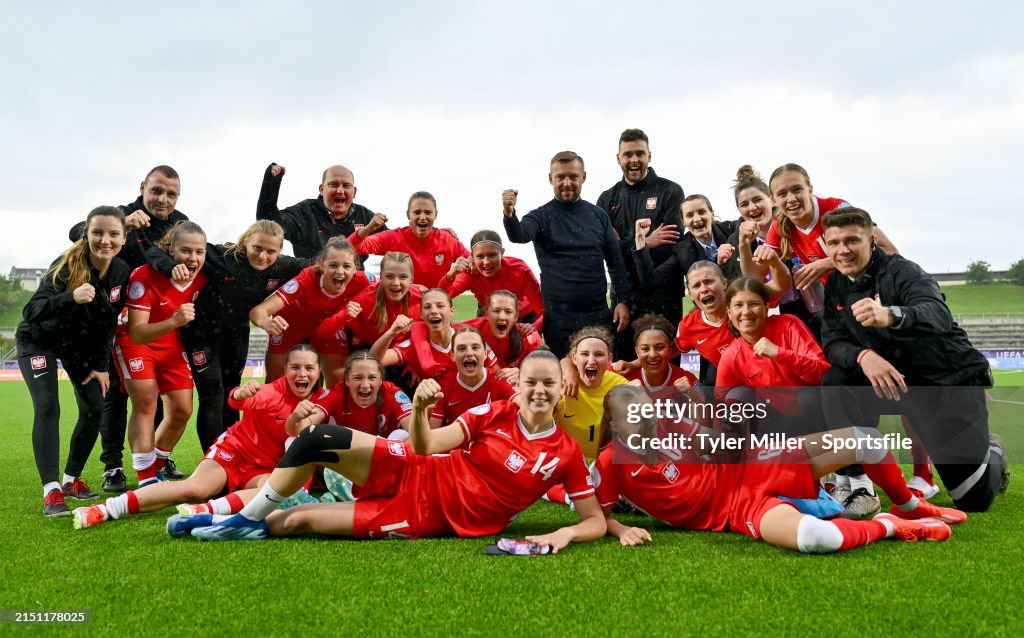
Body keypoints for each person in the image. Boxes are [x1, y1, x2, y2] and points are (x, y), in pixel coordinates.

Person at [176, 350, 606, 552]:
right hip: (418, 469)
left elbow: (593, 521)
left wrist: (565, 533)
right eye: (531, 382)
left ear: (560, 390)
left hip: (426, 516)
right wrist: (420, 410)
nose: (539, 391)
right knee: (315, 440)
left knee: (293, 521)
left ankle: (243, 520)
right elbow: (426, 444)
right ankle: (238, 520)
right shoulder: (493, 412)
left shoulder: (565, 453)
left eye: (549, 383)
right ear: (519, 385)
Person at [596, 385, 966, 553]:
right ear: (615, 426)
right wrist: (621, 528)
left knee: (865, 438)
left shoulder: (666, 421)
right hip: (732, 511)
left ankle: (908, 504)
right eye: (636, 415)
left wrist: (728, 428)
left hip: (749, 465)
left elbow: (721, 444)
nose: (646, 418)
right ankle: (888, 524)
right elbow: (597, 515)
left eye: (647, 408)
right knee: (818, 539)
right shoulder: (610, 461)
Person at [819, 207, 1009, 512]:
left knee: (973, 499)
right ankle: (857, 485)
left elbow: (938, 315)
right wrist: (862, 355)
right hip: (892, 381)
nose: (843, 250)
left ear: (871, 240)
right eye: (834, 243)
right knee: (835, 381)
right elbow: (831, 341)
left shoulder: (904, 271)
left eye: (852, 240)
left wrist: (891, 315)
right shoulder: (837, 286)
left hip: (944, 382)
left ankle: (994, 452)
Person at [72, 345, 322, 529]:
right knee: (195, 488)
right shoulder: (273, 390)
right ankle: (103, 510)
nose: (302, 374)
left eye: (309, 368)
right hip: (235, 452)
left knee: (276, 492)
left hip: (266, 471)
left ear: (319, 371)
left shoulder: (324, 402)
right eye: (295, 367)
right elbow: (239, 399)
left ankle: (202, 512)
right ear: (285, 370)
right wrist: (241, 393)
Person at [68, 166, 189, 493]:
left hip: (156, 322)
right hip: (114, 319)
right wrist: (122, 222)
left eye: (171, 194)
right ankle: (113, 467)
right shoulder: (122, 215)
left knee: (156, 395)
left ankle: (156, 460)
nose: (163, 199)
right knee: (116, 395)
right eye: (157, 191)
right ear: (143, 188)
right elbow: (77, 232)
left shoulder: (180, 222)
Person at [145, 220, 305, 452]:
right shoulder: (221, 257)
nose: (263, 256)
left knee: (233, 394)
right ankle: (212, 457)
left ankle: (230, 454)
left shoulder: (282, 266)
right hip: (202, 335)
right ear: (245, 242)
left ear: (279, 251)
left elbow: (315, 265)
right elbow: (154, 250)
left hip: (237, 336)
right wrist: (170, 267)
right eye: (257, 248)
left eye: (271, 251)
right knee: (213, 396)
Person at [19, 206, 130, 516]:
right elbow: (32, 311)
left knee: (95, 408)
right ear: (87, 234)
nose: (105, 240)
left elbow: (108, 323)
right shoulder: (67, 265)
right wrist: (71, 297)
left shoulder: (121, 272)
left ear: (123, 238)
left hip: (78, 347)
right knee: (48, 406)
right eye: (98, 233)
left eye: (113, 234)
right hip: (39, 340)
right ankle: (52, 491)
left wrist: (100, 366)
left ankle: (70, 480)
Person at [503, 151, 631, 358]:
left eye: (573, 176)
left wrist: (622, 301)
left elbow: (615, 262)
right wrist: (509, 214)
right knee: (563, 379)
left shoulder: (598, 216)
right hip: (558, 316)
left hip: (597, 313)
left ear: (584, 177)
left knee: (599, 374)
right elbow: (519, 235)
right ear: (550, 179)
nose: (567, 183)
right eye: (560, 177)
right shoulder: (540, 216)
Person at [115, 221, 208, 489]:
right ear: (170, 250)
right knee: (145, 401)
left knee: (182, 409)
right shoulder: (144, 276)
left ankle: (156, 465)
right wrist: (175, 320)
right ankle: (146, 479)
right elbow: (138, 333)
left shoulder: (202, 276)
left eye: (199, 252)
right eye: (185, 251)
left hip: (170, 343)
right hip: (136, 341)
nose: (193, 258)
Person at [596, 128, 685, 357]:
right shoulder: (607, 199)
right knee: (625, 374)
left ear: (649, 156)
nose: (634, 160)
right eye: (627, 155)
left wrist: (623, 245)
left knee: (663, 370)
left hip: (664, 298)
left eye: (639, 154)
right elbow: (607, 252)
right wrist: (645, 242)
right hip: (624, 300)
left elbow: (670, 243)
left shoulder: (671, 191)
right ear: (618, 159)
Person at [715, 278, 831, 438]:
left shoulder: (788, 325)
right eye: (738, 305)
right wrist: (719, 439)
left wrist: (779, 353)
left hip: (819, 408)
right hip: (782, 417)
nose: (746, 311)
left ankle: (845, 450)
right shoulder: (732, 356)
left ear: (766, 307)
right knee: (737, 397)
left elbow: (824, 374)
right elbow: (720, 402)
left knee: (807, 398)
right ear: (729, 312)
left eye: (754, 304)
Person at [250, 236, 371, 386]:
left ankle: (327, 408)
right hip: (290, 325)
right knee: (276, 381)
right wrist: (266, 322)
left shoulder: (362, 280)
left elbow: (389, 286)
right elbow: (258, 311)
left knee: (339, 382)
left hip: (330, 325)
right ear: (321, 265)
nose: (340, 272)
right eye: (333, 265)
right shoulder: (306, 279)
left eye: (346, 266)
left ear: (355, 269)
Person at [256, 163, 384, 262]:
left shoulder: (365, 217)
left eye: (346, 186)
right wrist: (271, 184)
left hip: (354, 288)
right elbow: (267, 225)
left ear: (354, 192)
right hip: (311, 283)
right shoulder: (303, 213)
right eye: (333, 185)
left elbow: (396, 244)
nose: (340, 191)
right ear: (322, 190)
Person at [348, 191, 469, 290]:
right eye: (417, 212)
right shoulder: (393, 237)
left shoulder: (447, 240)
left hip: (435, 310)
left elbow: (472, 261)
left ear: (435, 215)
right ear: (408, 215)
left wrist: (452, 285)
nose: (422, 217)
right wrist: (369, 228)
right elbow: (351, 247)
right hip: (402, 310)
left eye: (428, 212)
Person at [370, 289, 497, 383]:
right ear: (421, 314)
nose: (434, 311)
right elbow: (374, 360)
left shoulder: (471, 338)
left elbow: (497, 372)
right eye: (427, 307)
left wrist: (512, 373)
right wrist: (391, 333)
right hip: (437, 411)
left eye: (440, 306)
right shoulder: (414, 343)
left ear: (452, 311)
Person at [316, 251, 422, 351]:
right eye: (389, 276)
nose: (396, 283)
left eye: (403, 277)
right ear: (380, 277)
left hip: (399, 351)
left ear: (411, 279)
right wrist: (343, 316)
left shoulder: (421, 299)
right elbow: (321, 333)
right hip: (366, 349)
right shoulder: (364, 299)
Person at [439, 230, 543, 326]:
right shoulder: (470, 273)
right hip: (488, 315)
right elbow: (440, 297)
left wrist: (534, 328)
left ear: (502, 253)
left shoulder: (519, 269)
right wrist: (451, 274)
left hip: (524, 316)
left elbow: (541, 309)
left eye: (492, 255)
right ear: (472, 256)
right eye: (480, 256)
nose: (486, 262)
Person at [558, 326, 629, 463]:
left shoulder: (621, 386)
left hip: (606, 464)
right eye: (584, 354)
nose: (591, 361)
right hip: (567, 463)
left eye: (599, 354)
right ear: (574, 358)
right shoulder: (560, 384)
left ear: (610, 359)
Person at [431, 327, 518, 426]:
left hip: (490, 440)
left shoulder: (499, 380)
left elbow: (527, 408)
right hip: (453, 440)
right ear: (453, 356)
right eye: (462, 348)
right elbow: (431, 434)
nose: (469, 353)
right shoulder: (443, 385)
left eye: (475, 347)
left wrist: (525, 380)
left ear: (485, 354)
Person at [618, 313, 699, 400]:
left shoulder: (688, 381)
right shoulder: (620, 376)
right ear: (637, 350)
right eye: (645, 349)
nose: (652, 355)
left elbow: (706, 413)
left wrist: (695, 398)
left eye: (660, 348)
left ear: (670, 349)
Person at [458, 290, 541, 371]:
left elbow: (545, 371)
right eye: (496, 311)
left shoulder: (528, 337)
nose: (502, 317)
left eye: (508, 312)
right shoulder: (468, 330)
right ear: (486, 313)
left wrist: (521, 376)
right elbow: (446, 331)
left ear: (516, 316)